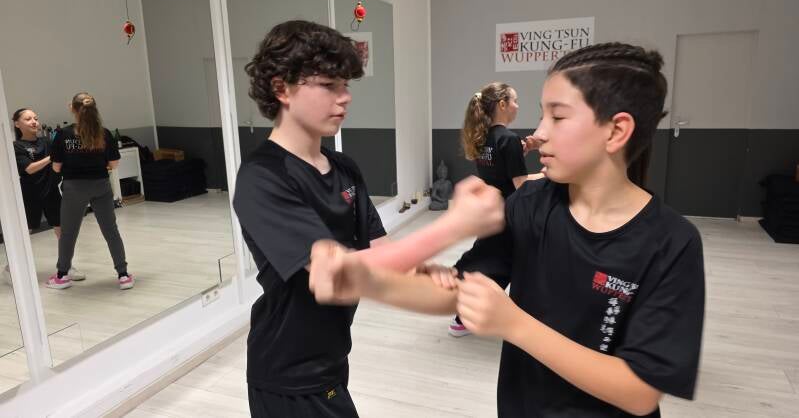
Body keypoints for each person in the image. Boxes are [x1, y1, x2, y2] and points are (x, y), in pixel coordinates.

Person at [309, 42, 706, 417]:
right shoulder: (532, 205)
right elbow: (461, 291)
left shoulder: (671, 243)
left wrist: (514, 324)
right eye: (540, 113)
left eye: (558, 115)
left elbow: (639, 393)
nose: (541, 131)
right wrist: (368, 281)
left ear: (616, 131)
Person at [232, 20, 503, 417]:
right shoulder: (262, 177)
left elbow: (378, 251)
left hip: (332, 358)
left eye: (346, 86)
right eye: (329, 85)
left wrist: (421, 271)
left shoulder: (344, 168)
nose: (345, 98)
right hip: (288, 374)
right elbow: (335, 275)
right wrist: (454, 226)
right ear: (281, 88)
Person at [448, 82, 544, 336]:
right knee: (503, 265)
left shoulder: (484, 138)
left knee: (486, 258)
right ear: (502, 104)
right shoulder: (508, 140)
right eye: (514, 101)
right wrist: (548, 174)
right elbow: (521, 184)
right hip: (510, 215)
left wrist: (522, 150)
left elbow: (498, 168)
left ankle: (464, 311)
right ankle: (466, 315)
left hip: (490, 213)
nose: (517, 106)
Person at [48, 93, 132, 290]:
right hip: (101, 185)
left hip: (73, 188)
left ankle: (62, 276)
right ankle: (123, 275)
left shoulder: (64, 134)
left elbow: (56, 167)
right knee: (111, 231)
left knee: (68, 233)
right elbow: (114, 163)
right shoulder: (104, 133)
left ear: (72, 108)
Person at [10, 108, 84, 283]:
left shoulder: (47, 142)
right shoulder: (16, 146)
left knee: (62, 232)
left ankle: (66, 267)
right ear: (17, 124)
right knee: (25, 233)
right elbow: (29, 168)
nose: (34, 121)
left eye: (36, 118)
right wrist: (52, 157)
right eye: (28, 119)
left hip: (51, 192)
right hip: (29, 195)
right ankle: (11, 269)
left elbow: (60, 160)